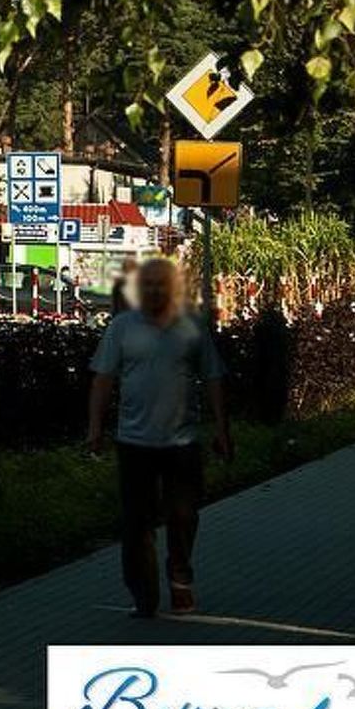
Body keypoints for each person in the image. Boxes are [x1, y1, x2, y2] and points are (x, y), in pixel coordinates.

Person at [86, 257, 232, 617]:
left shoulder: (192, 326)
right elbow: (103, 379)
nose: (153, 290)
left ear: (172, 288)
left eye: (159, 284)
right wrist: (95, 427)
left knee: (183, 515)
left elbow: (213, 377)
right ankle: (144, 593)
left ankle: (180, 576)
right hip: (134, 442)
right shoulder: (122, 327)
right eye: (147, 284)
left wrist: (222, 428)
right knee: (137, 522)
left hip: (181, 443)